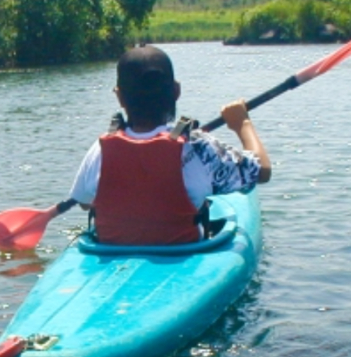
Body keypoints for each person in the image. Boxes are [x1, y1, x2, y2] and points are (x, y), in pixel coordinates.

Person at [68, 45, 272, 245]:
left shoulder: (101, 148)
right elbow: (261, 171)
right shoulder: (197, 146)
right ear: (176, 91)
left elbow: (85, 203)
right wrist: (242, 124)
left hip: (112, 251)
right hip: (180, 252)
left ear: (119, 97)